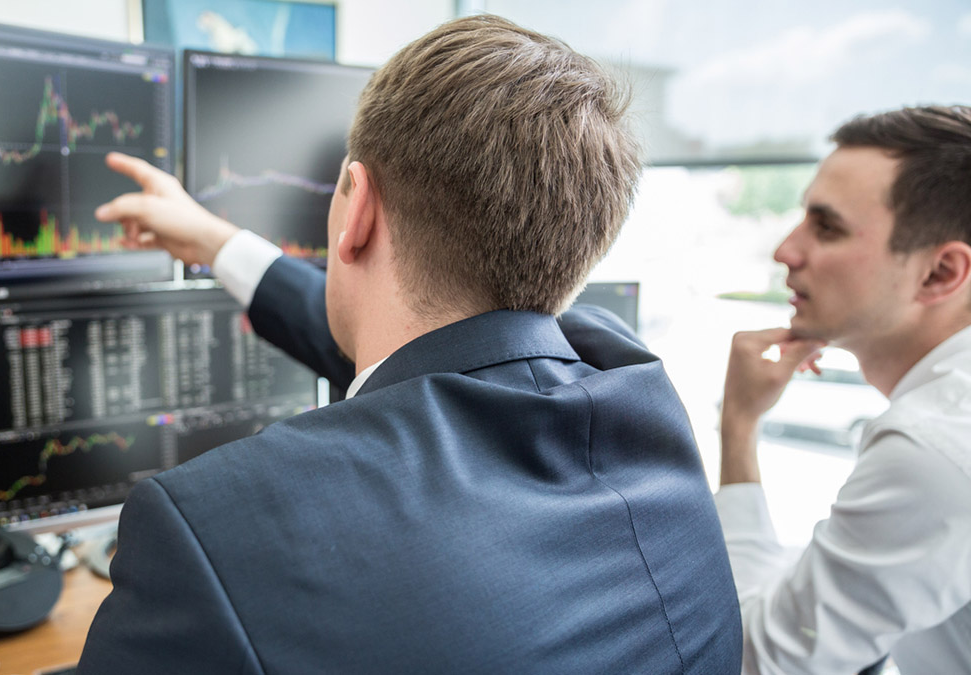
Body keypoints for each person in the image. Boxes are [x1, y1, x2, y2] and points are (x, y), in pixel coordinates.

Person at [78, 15, 741, 673]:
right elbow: (417, 349)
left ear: (357, 208)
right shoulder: (636, 391)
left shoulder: (208, 533)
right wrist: (214, 241)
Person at [716, 105, 971, 674]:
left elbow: (756, 660)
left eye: (826, 227)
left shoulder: (933, 448)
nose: (786, 250)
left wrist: (737, 427)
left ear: (940, 274)